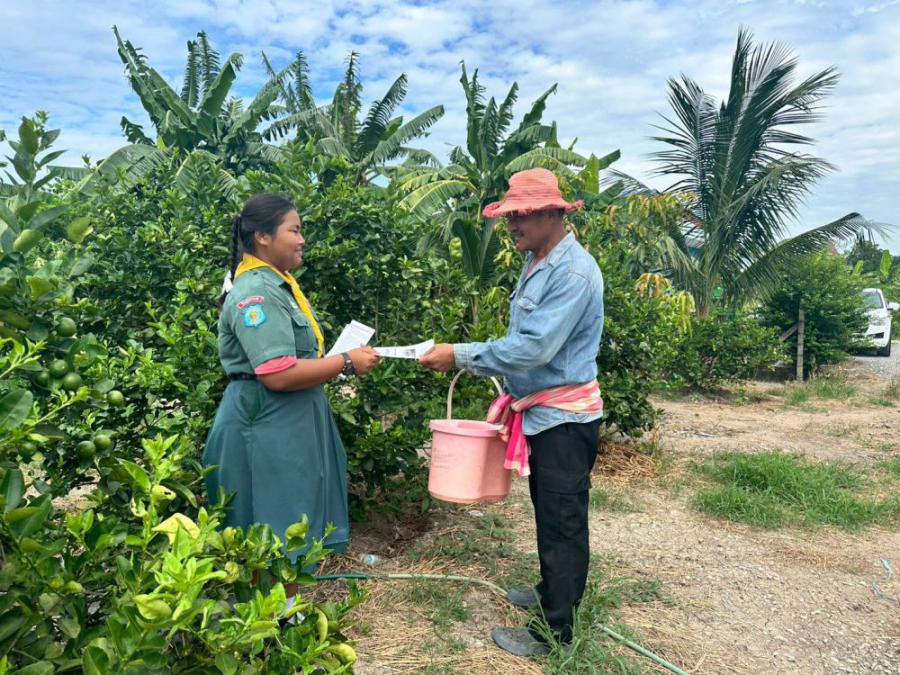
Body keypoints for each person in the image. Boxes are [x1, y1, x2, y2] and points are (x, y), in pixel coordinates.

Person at [420, 168, 605, 657]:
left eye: (521, 215)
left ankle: (555, 634)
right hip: (544, 414)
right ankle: (550, 593)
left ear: (552, 214)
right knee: (549, 511)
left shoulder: (573, 273)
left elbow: (533, 348)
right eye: (509, 216)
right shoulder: (537, 260)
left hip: (565, 419)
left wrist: (459, 354)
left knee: (563, 521)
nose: (512, 225)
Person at [204, 194, 380, 562]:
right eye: (294, 230)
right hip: (267, 422)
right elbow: (278, 373)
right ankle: (275, 601)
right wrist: (346, 362)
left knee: (290, 523)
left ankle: (283, 599)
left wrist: (339, 361)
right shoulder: (257, 292)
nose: (302, 240)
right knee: (274, 530)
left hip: (285, 421)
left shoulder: (277, 285)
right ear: (263, 237)